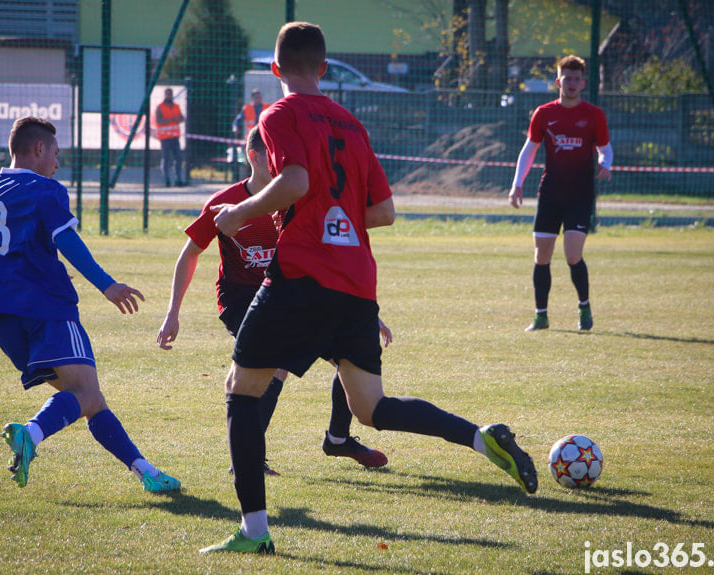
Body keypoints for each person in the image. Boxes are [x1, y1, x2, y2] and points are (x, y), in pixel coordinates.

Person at [199, 22, 537, 555]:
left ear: (275, 69)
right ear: (326, 68)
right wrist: (337, 219)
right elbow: (384, 211)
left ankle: (254, 533)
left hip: (303, 276)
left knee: (241, 387)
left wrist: (238, 213)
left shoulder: (278, 114)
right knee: (371, 408)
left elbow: (295, 181)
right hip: (356, 281)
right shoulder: (352, 124)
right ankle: (481, 437)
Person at [156, 125, 388, 475]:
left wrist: (357, 312)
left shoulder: (299, 200)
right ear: (254, 157)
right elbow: (190, 254)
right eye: (275, 155)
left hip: (291, 292)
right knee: (273, 365)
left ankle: (338, 439)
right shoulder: (226, 204)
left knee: (352, 355)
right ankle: (247, 463)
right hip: (241, 299)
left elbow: (329, 255)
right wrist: (172, 312)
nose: (285, 161)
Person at [0, 116, 181, 493]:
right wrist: (107, 285)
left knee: (88, 399)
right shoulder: (45, 189)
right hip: (44, 308)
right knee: (84, 394)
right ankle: (29, 434)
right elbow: (66, 241)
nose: (57, 161)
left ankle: (145, 471)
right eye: (55, 152)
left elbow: (11, 247)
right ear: (38, 149)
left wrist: (43, 267)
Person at [508, 55, 612, 332]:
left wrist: (606, 163)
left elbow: (605, 147)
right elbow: (529, 149)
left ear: (584, 83)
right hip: (550, 193)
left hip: (580, 195)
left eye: (577, 78)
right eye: (567, 78)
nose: (572, 83)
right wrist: (517, 183)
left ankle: (584, 307)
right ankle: (541, 316)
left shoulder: (594, 115)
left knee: (572, 255)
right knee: (541, 255)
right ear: (558, 81)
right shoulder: (544, 113)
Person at [230, 89, 270, 165]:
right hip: (251, 135)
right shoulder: (247, 108)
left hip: (264, 135)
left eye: (259, 96)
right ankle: (248, 164)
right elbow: (238, 120)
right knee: (249, 152)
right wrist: (235, 127)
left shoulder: (267, 107)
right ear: (252, 97)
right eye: (255, 96)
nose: (257, 98)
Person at [155, 88, 186, 187]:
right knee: (166, 159)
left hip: (175, 137)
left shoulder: (176, 106)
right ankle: (166, 180)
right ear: (165, 95)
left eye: (170, 94)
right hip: (165, 138)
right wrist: (171, 119)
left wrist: (178, 119)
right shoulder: (160, 107)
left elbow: (181, 118)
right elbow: (159, 120)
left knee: (178, 158)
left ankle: (178, 179)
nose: (169, 96)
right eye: (167, 94)